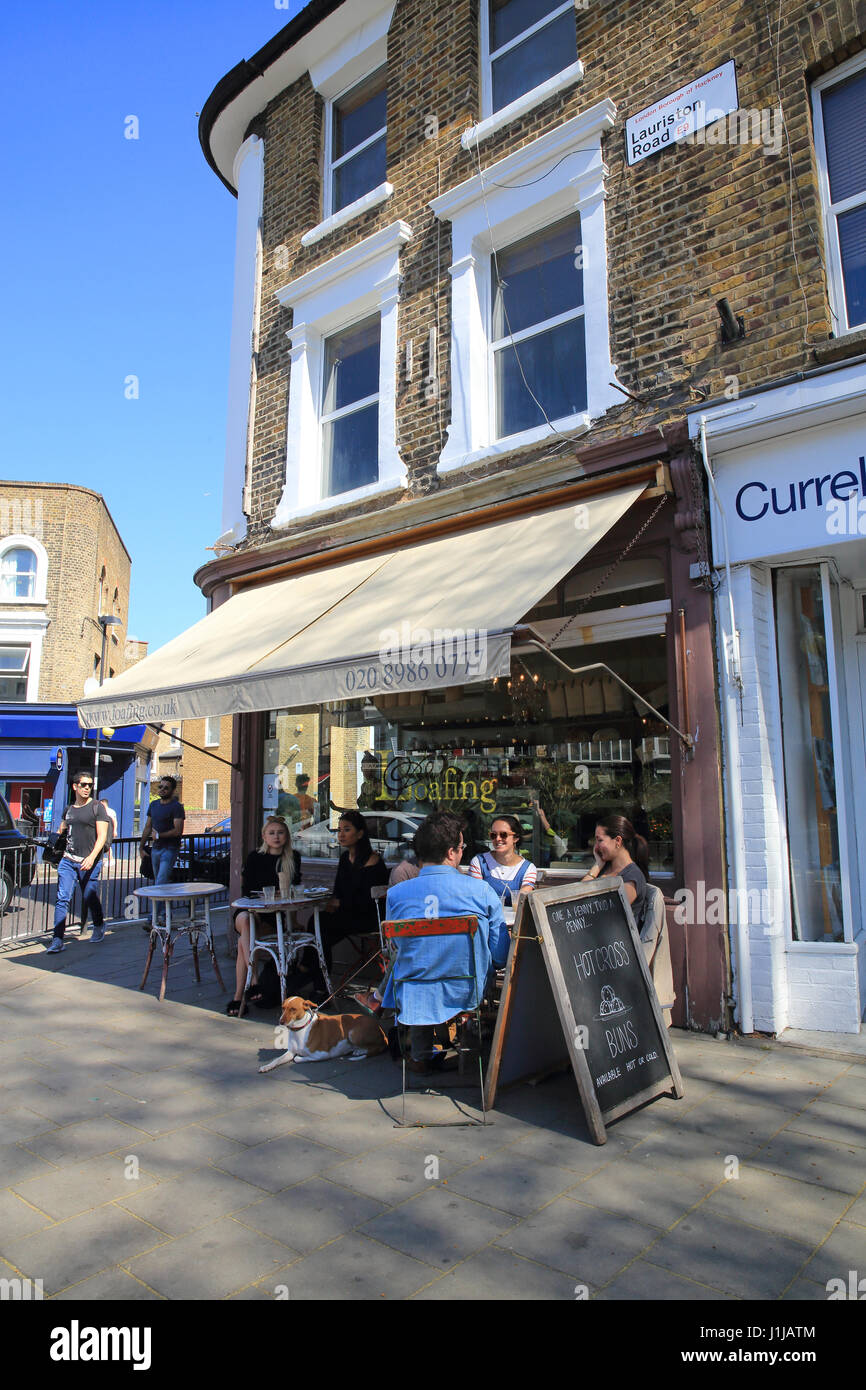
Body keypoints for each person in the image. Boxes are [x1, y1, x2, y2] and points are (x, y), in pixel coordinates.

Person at [384, 811, 509, 1073]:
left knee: (419, 975)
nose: (462, 852)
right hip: (467, 988)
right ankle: (471, 1054)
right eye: (462, 848)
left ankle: (419, 1057)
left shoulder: (396, 895)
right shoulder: (482, 891)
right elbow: (499, 955)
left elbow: (394, 946)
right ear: (452, 852)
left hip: (413, 988)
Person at [227, 815, 301, 1016]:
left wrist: (293, 922)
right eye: (272, 833)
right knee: (246, 922)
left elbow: (294, 891)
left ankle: (238, 997)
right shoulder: (255, 857)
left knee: (245, 940)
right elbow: (248, 891)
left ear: (287, 835)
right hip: (252, 909)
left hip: (274, 915)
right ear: (264, 836)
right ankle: (254, 982)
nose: (276, 837)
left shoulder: (293, 858)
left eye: (280, 832)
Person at [318, 810, 389, 972]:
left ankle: (315, 975)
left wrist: (339, 902)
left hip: (367, 919)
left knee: (321, 928)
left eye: (347, 829)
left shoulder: (374, 861)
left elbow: (369, 901)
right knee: (318, 923)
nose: (341, 834)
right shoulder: (344, 859)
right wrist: (335, 902)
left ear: (360, 834)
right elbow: (338, 891)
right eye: (339, 830)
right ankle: (318, 975)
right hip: (346, 914)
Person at [46, 772, 110, 952]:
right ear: (75, 786)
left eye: (90, 785)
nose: (87, 788)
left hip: (89, 860)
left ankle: (98, 924)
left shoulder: (97, 808)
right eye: (83, 785)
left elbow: (103, 835)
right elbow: (62, 829)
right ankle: (57, 939)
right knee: (62, 898)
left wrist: (91, 857)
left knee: (89, 895)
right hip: (68, 859)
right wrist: (57, 845)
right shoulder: (69, 810)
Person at [582, 813, 649, 925]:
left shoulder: (632, 877)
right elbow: (577, 895)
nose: (596, 847)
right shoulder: (604, 868)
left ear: (618, 841)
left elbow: (607, 915)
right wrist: (597, 865)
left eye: (600, 840)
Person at [139, 776, 185, 925]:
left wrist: (159, 835)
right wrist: (141, 846)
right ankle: (166, 914)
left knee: (159, 882)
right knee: (162, 883)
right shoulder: (153, 805)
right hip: (156, 849)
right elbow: (147, 826)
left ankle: (152, 918)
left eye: (166, 787)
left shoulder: (176, 807)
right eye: (160, 787)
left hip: (170, 848)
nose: (162, 790)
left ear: (172, 790)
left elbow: (178, 830)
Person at [468, 814, 537, 904]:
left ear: (515, 838)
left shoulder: (528, 869)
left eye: (503, 835)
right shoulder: (479, 862)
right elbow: (476, 897)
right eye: (493, 835)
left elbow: (522, 901)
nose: (498, 839)